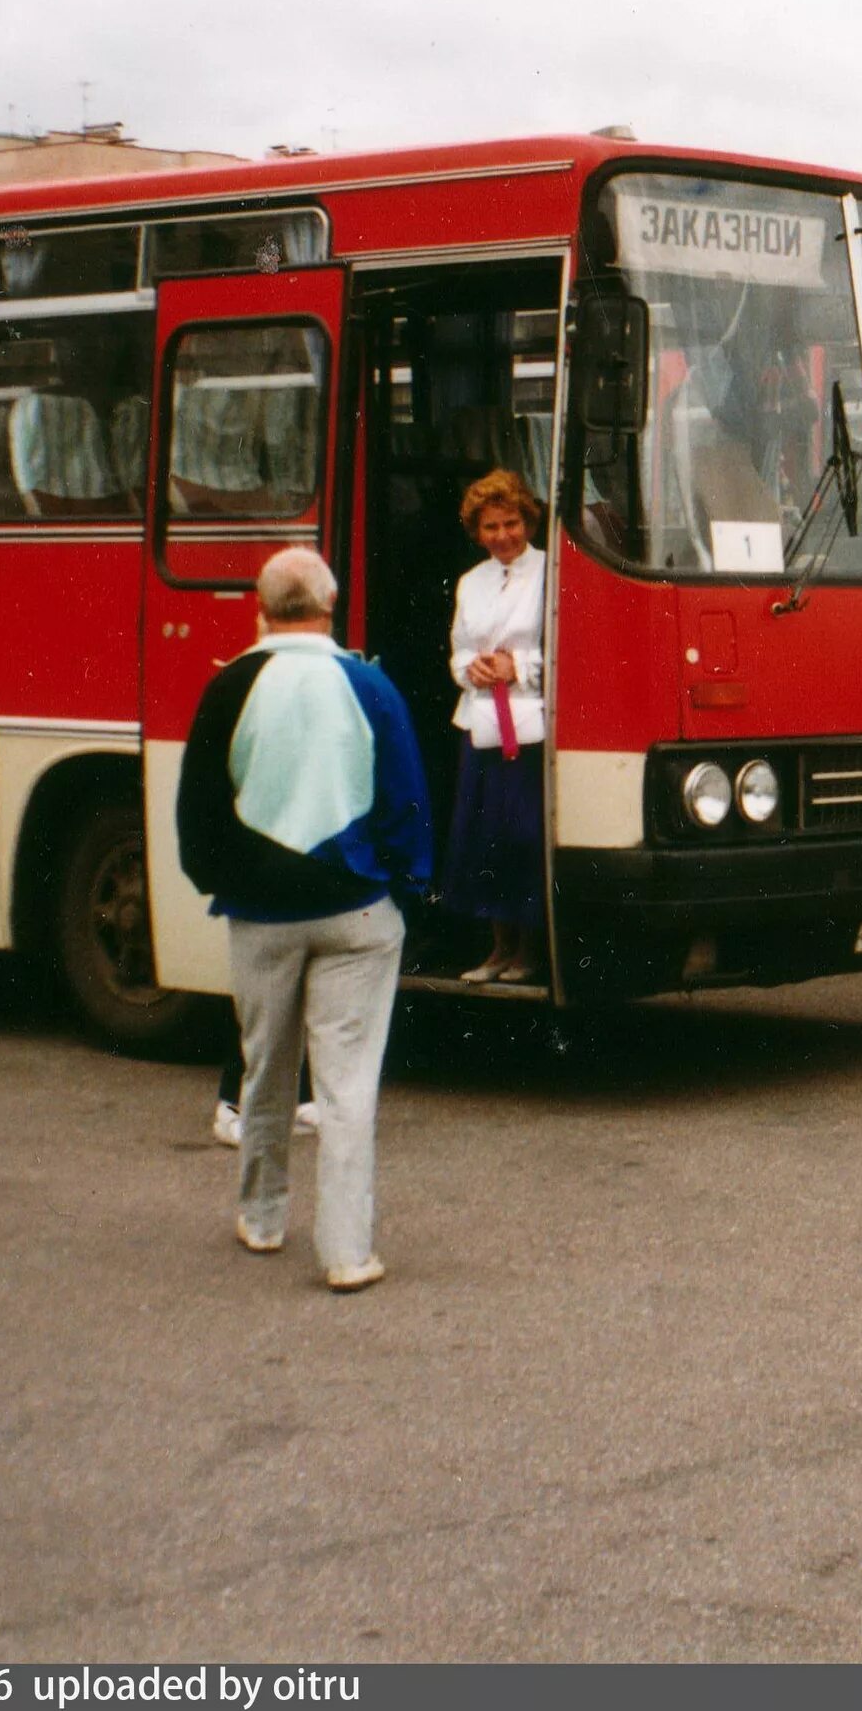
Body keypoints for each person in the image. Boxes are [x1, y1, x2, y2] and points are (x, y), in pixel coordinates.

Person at [176, 547, 432, 1293]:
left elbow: (199, 808)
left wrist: (223, 880)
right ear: (332, 602)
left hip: (259, 913)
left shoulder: (228, 685)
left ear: (261, 607)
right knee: (347, 1086)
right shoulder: (368, 682)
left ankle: (261, 1216)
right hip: (356, 907)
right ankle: (347, 1251)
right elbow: (405, 799)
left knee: (265, 1067)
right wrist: (402, 885)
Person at [446, 469, 548, 983]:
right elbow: (460, 650)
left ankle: (528, 950)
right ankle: (498, 949)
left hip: (530, 728)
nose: (502, 536)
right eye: (490, 527)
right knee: (482, 838)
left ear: (527, 522)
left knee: (523, 838)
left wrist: (520, 668)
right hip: (482, 723)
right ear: (476, 531)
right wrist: (474, 669)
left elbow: (566, 650)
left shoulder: (552, 573)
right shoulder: (471, 581)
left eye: (510, 523)